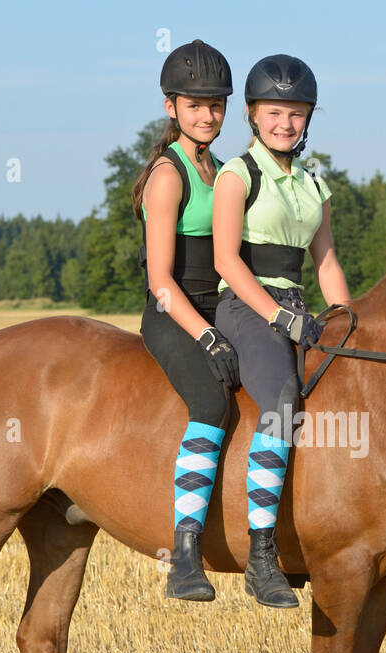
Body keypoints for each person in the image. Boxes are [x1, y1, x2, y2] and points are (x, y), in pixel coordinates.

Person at [211, 54, 344, 609]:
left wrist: (344, 321)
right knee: (283, 400)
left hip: (299, 306)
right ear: (252, 115)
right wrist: (275, 315)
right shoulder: (237, 174)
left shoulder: (315, 183)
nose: (285, 123)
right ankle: (262, 556)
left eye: (295, 113)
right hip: (245, 307)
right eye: (274, 112)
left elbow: (327, 261)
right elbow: (224, 260)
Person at [135, 39, 239, 602]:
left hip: (219, 308)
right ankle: (184, 553)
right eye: (195, 105)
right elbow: (160, 281)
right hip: (174, 314)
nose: (207, 115)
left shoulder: (222, 170)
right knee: (210, 402)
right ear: (170, 106)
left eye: (216, 104)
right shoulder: (169, 174)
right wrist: (207, 336)